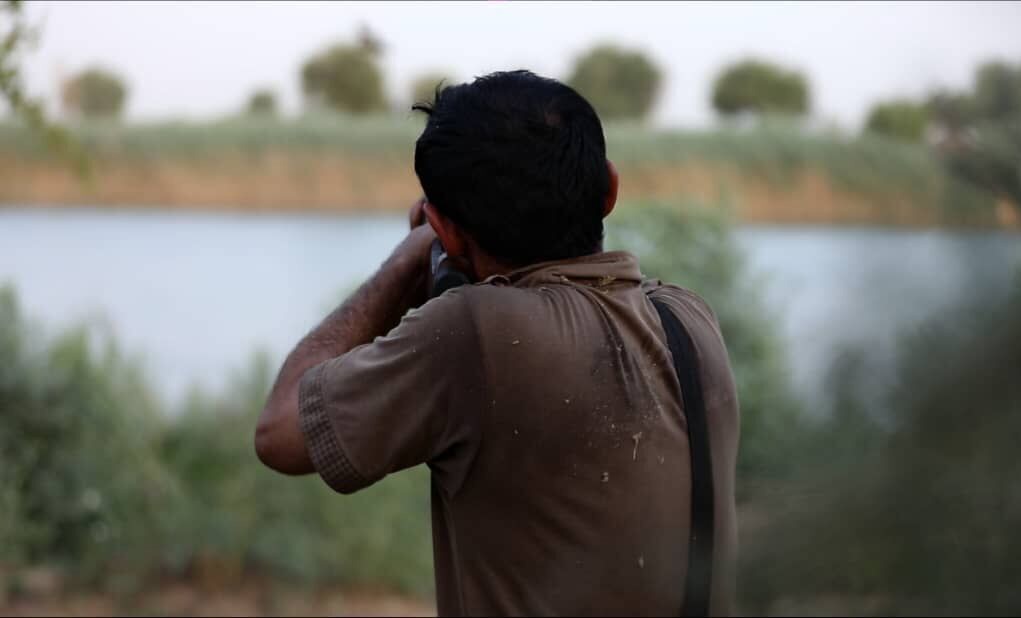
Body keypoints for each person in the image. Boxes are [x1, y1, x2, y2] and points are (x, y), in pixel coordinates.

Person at [254, 70, 740, 617]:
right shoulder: (689, 320)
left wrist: (405, 264)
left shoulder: (476, 334)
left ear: (448, 231)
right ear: (609, 189)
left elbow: (279, 434)